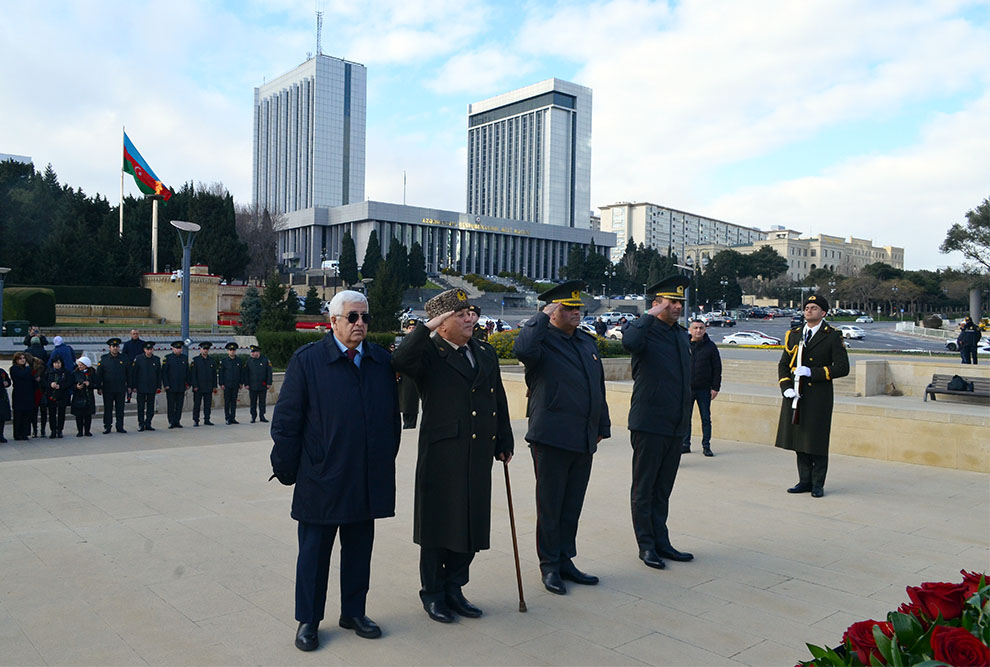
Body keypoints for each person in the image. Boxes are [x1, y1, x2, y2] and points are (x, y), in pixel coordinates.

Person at [270, 290, 401, 651]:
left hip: (365, 478)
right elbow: (286, 422)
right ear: (333, 322)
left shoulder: (378, 361)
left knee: (359, 551)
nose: (361, 324)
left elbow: (391, 419)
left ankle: (354, 612)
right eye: (353, 317)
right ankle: (308, 620)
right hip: (322, 480)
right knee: (314, 555)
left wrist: (383, 460)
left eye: (365, 317)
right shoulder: (308, 361)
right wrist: (286, 469)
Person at [391, 288, 514, 624]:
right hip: (442, 454)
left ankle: (455, 588)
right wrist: (424, 327)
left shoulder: (484, 353)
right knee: (438, 527)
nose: (470, 318)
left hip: (477, 453)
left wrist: (504, 438)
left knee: (471, 523)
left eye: (471, 312)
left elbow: (497, 399)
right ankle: (433, 593)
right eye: (460, 314)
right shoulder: (429, 354)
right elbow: (399, 361)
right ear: (442, 324)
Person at [513, 280, 610, 595]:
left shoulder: (584, 342)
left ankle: (566, 559)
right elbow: (522, 348)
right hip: (552, 437)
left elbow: (598, 386)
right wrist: (542, 315)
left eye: (578, 307)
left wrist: (601, 426)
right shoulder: (541, 342)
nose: (576, 312)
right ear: (553, 310)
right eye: (568, 308)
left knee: (572, 505)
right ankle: (550, 565)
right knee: (551, 506)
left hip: (583, 437)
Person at [621, 274, 694, 570]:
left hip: (675, 423)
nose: (677, 307)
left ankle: (662, 541)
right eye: (672, 302)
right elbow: (629, 342)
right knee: (644, 488)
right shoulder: (645, 330)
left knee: (663, 488)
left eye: (680, 302)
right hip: (649, 421)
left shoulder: (679, 334)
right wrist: (648, 314)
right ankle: (646, 545)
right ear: (657, 303)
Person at [775, 294, 849, 498]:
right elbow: (783, 364)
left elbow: (843, 368)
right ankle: (804, 480)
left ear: (823, 313)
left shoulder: (832, 335)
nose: (808, 310)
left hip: (819, 396)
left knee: (816, 440)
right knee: (800, 439)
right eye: (807, 307)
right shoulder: (794, 334)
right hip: (796, 394)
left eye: (814, 308)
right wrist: (786, 387)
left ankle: (818, 483)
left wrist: (812, 372)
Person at [682, 319, 722, 457]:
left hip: (704, 389)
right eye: (695, 328)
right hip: (687, 388)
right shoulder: (684, 344)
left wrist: (715, 388)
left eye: (701, 328)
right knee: (686, 418)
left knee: (705, 418)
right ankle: (685, 444)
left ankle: (706, 446)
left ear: (705, 330)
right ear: (690, 329)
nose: (698, 331)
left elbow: (717, 368)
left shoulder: (710, 347)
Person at [97, 337, 129, 434]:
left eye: (116, 346)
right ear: (109, 348)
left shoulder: (124, 358)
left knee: (120, 409)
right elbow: (99, 374)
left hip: (120, 388)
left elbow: (129, 373)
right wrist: (99, 387)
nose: (115, 348)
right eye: (113, 346)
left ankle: (120, 426)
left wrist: (130, 386)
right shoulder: (104, 359)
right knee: (108, 408)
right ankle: (107, 426)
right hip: (108, 389)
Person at [130, 341, 162, 431]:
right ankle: (141, 424)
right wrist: (134, 386)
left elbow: (159, 374)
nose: (149, 351)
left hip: (152, 387)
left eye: (151, 349)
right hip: (141, 387)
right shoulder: (138, 359)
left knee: (150, 408)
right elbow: (134, 373)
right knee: (141, 407)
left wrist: (158, 386)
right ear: (144, 350)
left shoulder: (156, 359)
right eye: (147, 349)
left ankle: (148, 423)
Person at [397, 318, 420, 429]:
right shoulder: (404, 342)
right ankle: (407, 422)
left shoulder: (420, 342)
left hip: (414, 374)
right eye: (410, 328)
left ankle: (411, 422)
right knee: (404, 399)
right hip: (404, 374)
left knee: (411, 399)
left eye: (413, 328)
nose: (411, 330)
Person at [190, 342, 218, 427]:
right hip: (198, 387)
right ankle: (196, 420)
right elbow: (193, 375)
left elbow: (214, 375)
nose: (205, 350)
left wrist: (214, 386)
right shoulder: (195, 360)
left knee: (208, 405)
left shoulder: (211, 360)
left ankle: (207, 419)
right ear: (200, 349)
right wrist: (194, 385)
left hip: (208, 386)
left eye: (207, 349)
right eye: (204, 349)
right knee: (197, 405)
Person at [162, 341, 189, 428]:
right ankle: (171, 421)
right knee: (171, 405)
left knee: (179, 405)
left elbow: (187, 372)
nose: (178, 350)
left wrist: (188, 383)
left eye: (180, 348)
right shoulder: (168, 358)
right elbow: (164, 373)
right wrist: (166, 384)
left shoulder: (184, 358)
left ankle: (177, 421)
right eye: (176, 348)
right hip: (171, 386)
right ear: (173, 349)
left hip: (181, 386)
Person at [9, 352, 35, 441]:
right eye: (20, 358)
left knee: (27, 415)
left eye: (24, 358)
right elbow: (22, 375)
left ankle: (25, 433)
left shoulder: (27, 369)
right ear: (16, 360)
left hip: (28, 394)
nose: (23, 360)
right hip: (19, 395)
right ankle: (18, 433)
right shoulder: (14, 369)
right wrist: (28, 369)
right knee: (18, 415)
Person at [69, 357, 97, 437]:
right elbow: (70, 385)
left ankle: (87, 431)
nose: (80, 366)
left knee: (88, 415)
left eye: (82, 365)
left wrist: (90, 384)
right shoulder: (74, 373)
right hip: (78, 396)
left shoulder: (92, 373)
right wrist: (76, 387)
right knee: (79, 415)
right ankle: (80, 431)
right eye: (79, 364)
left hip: (88, 396)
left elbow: (97, 384)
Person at [245, 344, 273, 423]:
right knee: (253, 402)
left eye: (254, 352)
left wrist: (269, 383)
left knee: (262, 402)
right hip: (252, 386)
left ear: (258, 352)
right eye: (252, 352)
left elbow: (269, 373)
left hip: (262, 385)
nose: (252, 354)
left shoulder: (265, 360)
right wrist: (246, 384)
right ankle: (253, 416)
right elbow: (246, 373)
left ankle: (262, 416)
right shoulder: (249, 361)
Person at [44, 357, 71, 438]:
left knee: (61, 413)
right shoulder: (48, 372)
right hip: (51, 395)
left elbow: (69, 382)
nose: (57, 365)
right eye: (55, 363)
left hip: (62, 395)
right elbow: (43, 382)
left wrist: (61, 386)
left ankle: (60, 430)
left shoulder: (66, 372)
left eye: (59, 363)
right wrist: (50, 384)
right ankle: (53, 430)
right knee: (52, 413)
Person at [219, 342, 245, 424]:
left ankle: (233, 417)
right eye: (230, 350)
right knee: (227, 402)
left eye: (233, 350)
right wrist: (221, 384)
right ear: (227, 351)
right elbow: (221, 373)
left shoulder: (239, 361)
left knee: (234, 401)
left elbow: (241, 373)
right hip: (227, 385)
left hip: (235, 384)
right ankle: (227, 418)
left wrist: (241, 383)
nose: (232, 352)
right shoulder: (224, 361)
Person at [121, 329, 145, 403]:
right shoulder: (127, 344)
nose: (135, 335)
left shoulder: (143, 343)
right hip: (130, 365)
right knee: (129, 381)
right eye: (134, 334)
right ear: (131, 335)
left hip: (140, 366)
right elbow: (124, 355)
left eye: (136, 334)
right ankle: (128, 397)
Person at [0, 366, 10, 443]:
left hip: (2, 397)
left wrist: (7, 383)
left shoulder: (1, 371)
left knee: (1, 418)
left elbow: (8, 380)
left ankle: (1, 435)